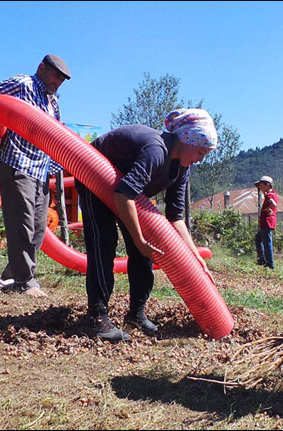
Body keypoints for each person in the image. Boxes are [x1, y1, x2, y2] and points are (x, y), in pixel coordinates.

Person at [76, 108, 218, 342]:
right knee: (104, 244)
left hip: (127, 191)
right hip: (95, 178)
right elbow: (124, 196)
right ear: (185, 139)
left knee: (145, 253)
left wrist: (195, 256)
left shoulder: (182, 167)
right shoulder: (156, 151)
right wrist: (139, 240)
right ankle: (97, 317)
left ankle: (136, 314)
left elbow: (175, 216)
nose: (201, 158)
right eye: (201, 151)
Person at [0, 54, 71, 298]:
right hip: (17, 164)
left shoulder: (54, 101)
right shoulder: (23, 84)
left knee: (39, 228)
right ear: (41, 68)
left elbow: (54, 135)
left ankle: (13, 273)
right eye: (55, 75)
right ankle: (24, 281)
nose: (58, 82)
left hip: (41, 170)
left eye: (62, 79)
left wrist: (53, 169)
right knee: (22, 224)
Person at [254, 175, 278, 269]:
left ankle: (269, 264)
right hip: (267, 222)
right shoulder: (271, 194)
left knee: (267, 242)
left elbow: (273, 204)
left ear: (267, 185)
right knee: (258, 239)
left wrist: (269, 209)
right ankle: (262, 260)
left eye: (262, 185)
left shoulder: (269, 195)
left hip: (267, 222)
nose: (260, 188)